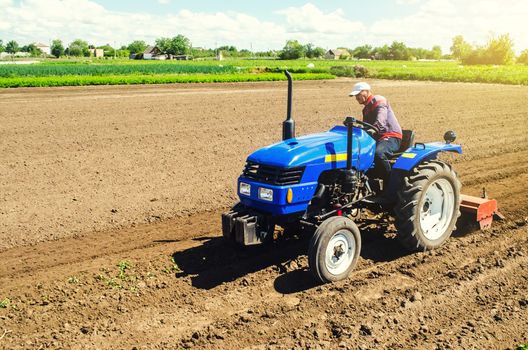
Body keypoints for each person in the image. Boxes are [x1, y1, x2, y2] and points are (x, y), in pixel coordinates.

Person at [349, 82, 402, 185]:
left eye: (358, 94)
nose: (357, 97)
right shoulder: (366, 109)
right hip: (378, 138)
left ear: (367, 91)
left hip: (390, 136)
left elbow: (380, 120)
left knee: (379, 153)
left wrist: (373, 129)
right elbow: (367, 126)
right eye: (355, 95)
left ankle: (391, 184)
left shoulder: (379, 100)